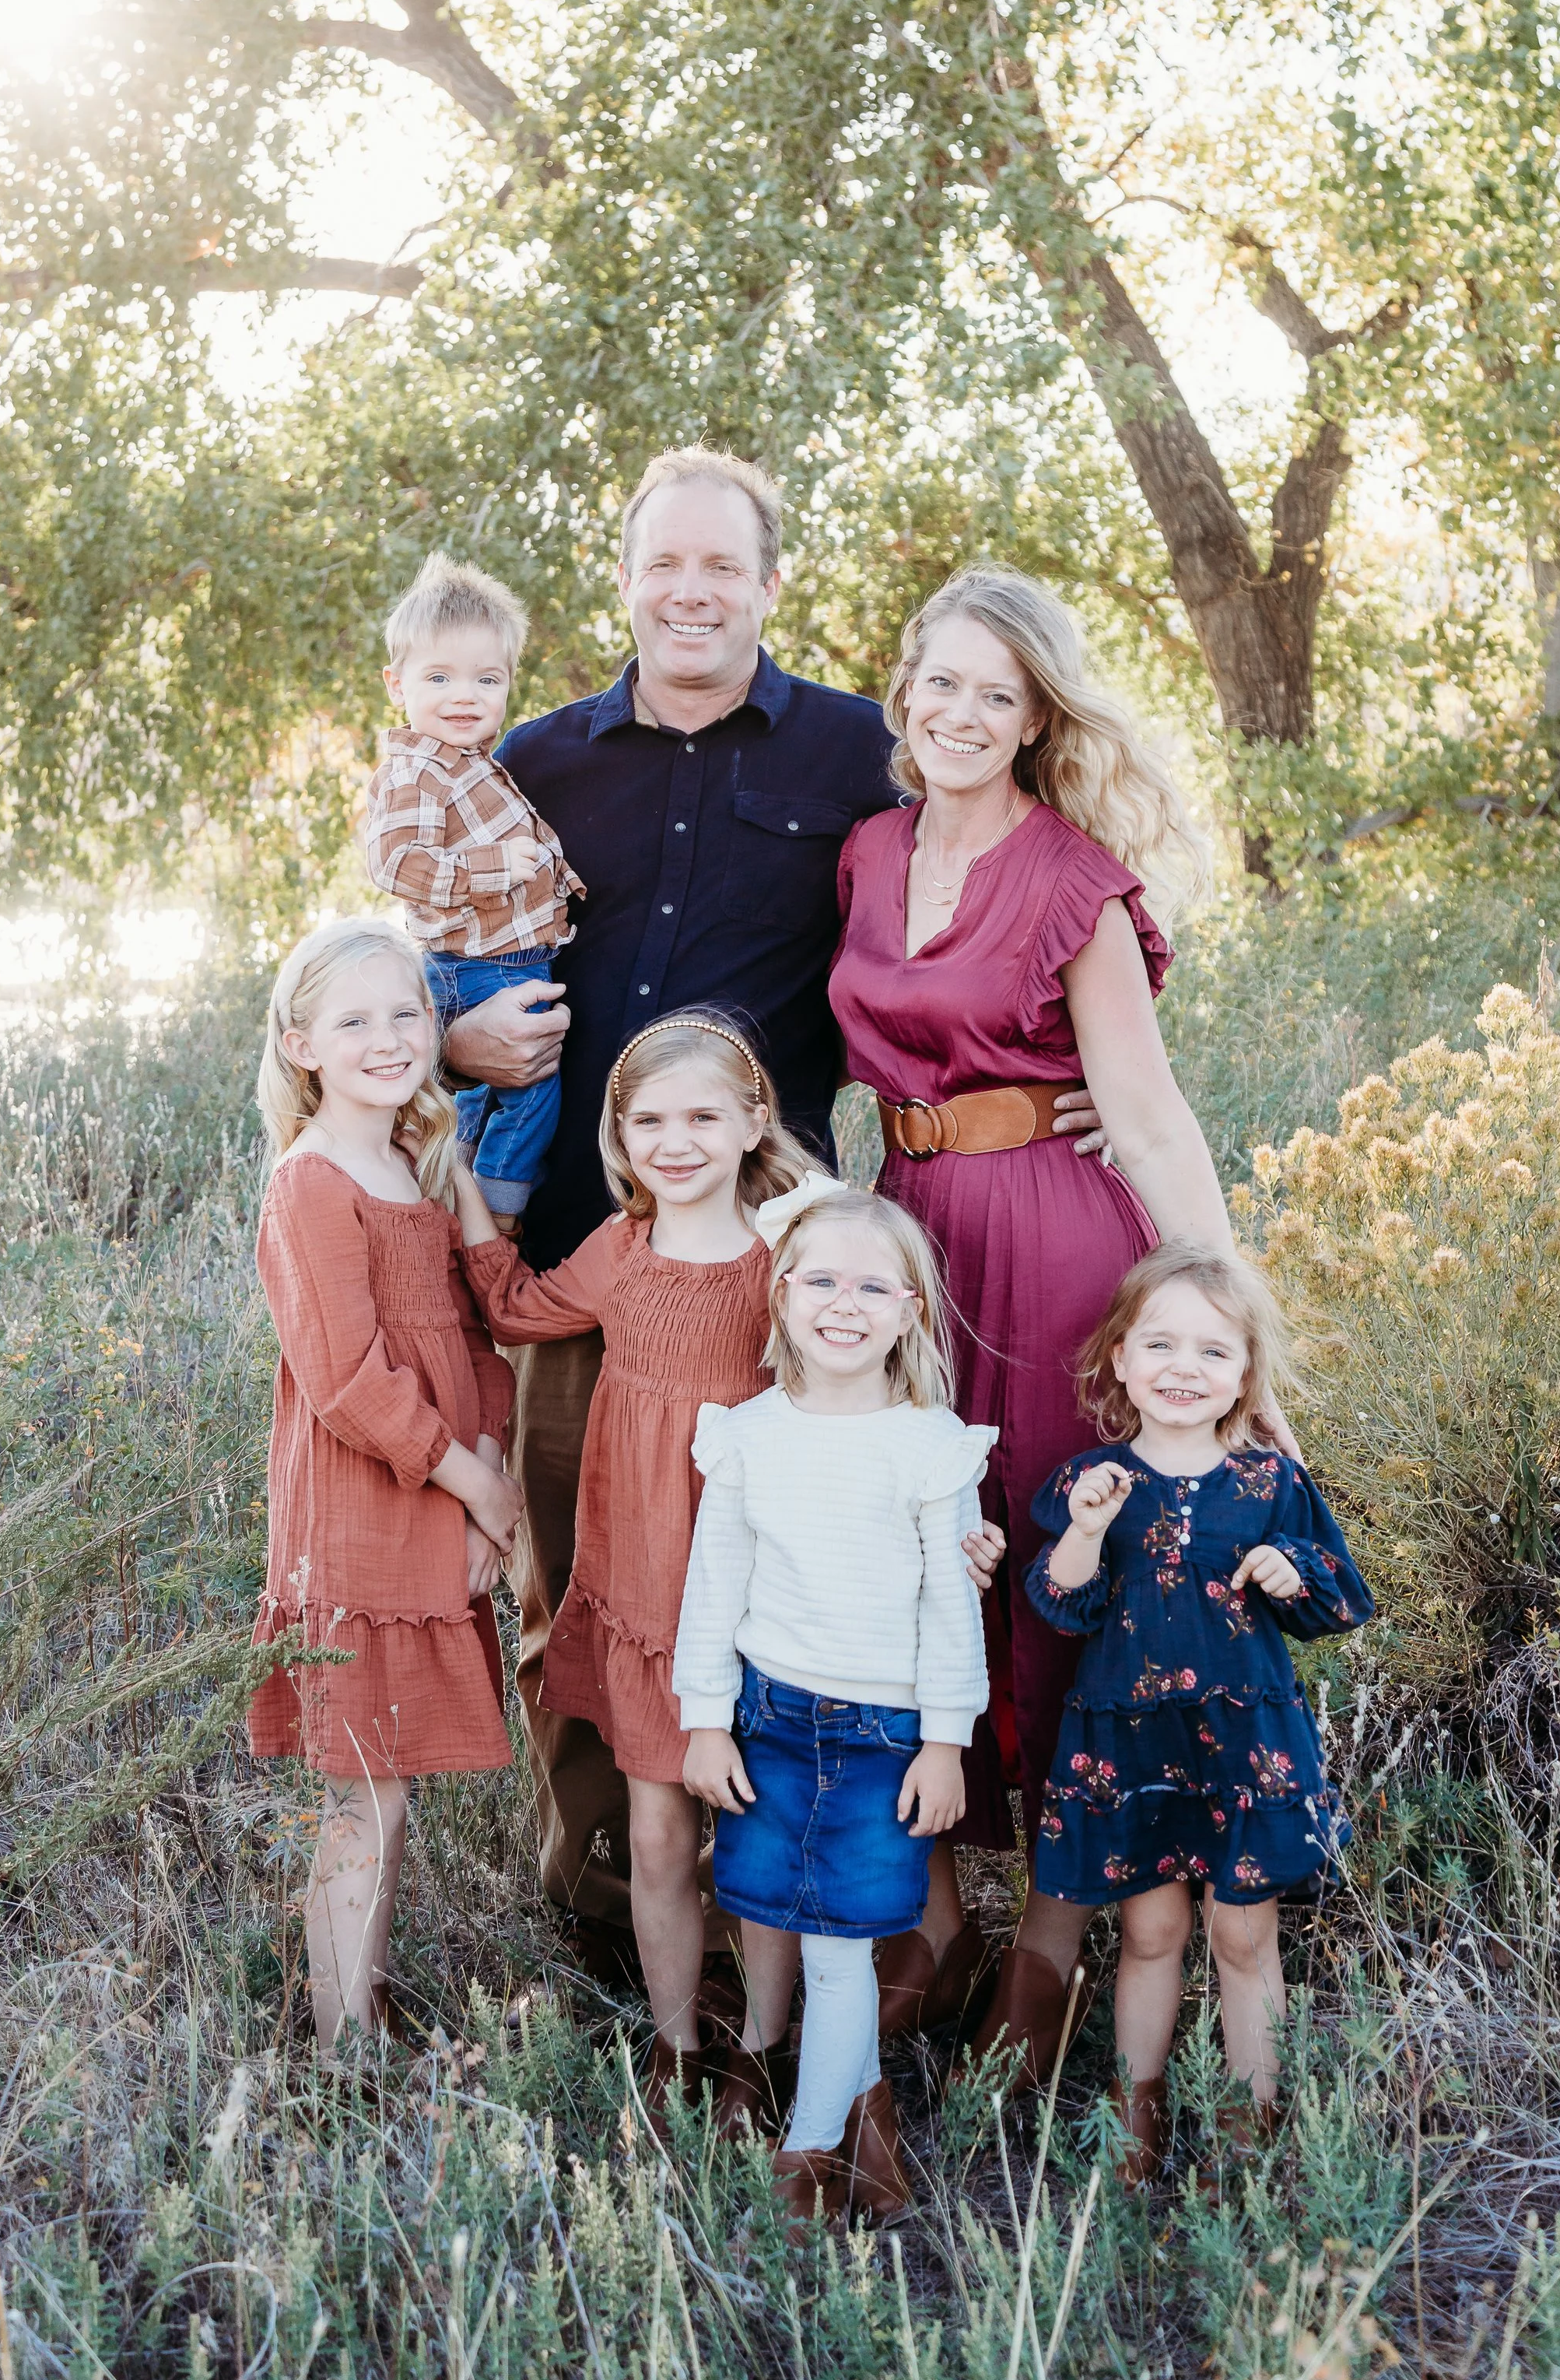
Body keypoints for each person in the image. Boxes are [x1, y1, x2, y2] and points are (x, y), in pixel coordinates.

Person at [442, 453, 1096, 1961]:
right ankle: (610, 1923)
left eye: (721, 568)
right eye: (663, 564)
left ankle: (789, 1934)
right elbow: (416, 954)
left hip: (779, 1289)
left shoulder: (861, 756)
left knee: (779, 1607)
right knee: (581, 1600)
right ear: (623, 575)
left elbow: (1013, 874)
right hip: (573, 1259)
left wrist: (1067, 1073)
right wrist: (460, 1046)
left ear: (768, 584)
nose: (690, 592)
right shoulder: (528, 766)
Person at [829, 563, 1259, 2094]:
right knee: (901, 1570)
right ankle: (931, 1925)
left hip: (1059, 1246)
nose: (959, 713)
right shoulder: (865, 853)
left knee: (1058, 1590)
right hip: (905, 1243)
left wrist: (1225, 1325)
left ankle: (1046, 1963)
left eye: (993, 695)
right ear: (904, 690)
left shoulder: (1072, 878)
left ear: (1033, 720)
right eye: (938, 682)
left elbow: (1142, 1117)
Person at [450, 1010, 811, 2101]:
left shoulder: (791, 1248)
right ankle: (676, 2040)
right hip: (652, 1579)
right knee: (658, 1825)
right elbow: (512, 1306)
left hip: (765, 1581)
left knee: (759, 1826)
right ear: (619, 1133)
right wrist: (464, 1179)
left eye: (704, 1114)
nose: (676, 1139)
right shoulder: (620, 1250)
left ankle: (762, 2041)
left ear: (756, 1119)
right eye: (648, 1119)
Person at [675, 1178, 991, 2225]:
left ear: (909, 1309)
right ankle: (864, 2112)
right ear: (782, 1294)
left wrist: (946, 1742)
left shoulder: (930, 1443)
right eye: (820, 1278)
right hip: (771, 1720)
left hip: (882, 1735)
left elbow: (952, 1607)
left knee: (840, 1943)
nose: (843, 1301)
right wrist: (705, 1715)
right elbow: (714, 1583)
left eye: (872, 1283)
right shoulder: (749, 1433)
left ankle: (807, 2151)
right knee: (782, 1914)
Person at [1025, 1243, 1372, 2184]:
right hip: (1131, 1746)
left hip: (1244, 1750)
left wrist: (1290, 1571)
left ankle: (1246, 2122)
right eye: (1161, 1346)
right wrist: (1090, 1532)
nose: (1184, 1368)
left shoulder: (1271, 1485)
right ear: (1120, 1361)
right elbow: (1059, 1603)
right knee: (1150, 1933)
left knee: (1241, 1932)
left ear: (1245, 1378)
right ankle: (1134, 2121)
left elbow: (1339, 1605)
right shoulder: (1090, 1482)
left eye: (1213, 1353)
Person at [247, 921, 524, 2053]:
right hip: (363, 1516)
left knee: (392, 1784)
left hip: (437, 1499)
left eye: (406, 1013)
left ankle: (361, 2005)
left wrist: (490, 1462)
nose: (387, 1038)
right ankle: (339, 2045)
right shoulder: (311, 1182)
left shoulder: (418, 1163)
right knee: (366, 1795)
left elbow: (470, 1333)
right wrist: (477, 1487)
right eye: (353, 1020)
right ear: (302, 1042)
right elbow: (348, 1382)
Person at [364, 554, 583, 1218]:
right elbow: (396, 864)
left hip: (510, 960)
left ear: (509, 684)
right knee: (534, 1089)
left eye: (486, 679)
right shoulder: (416, 773)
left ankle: (453, 1199)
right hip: (481, 966)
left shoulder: (473, 763)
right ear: (396, 683)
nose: (465, 696)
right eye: (440, 677)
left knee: (486, 1094)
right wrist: (493, 871)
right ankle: (496, 1213)